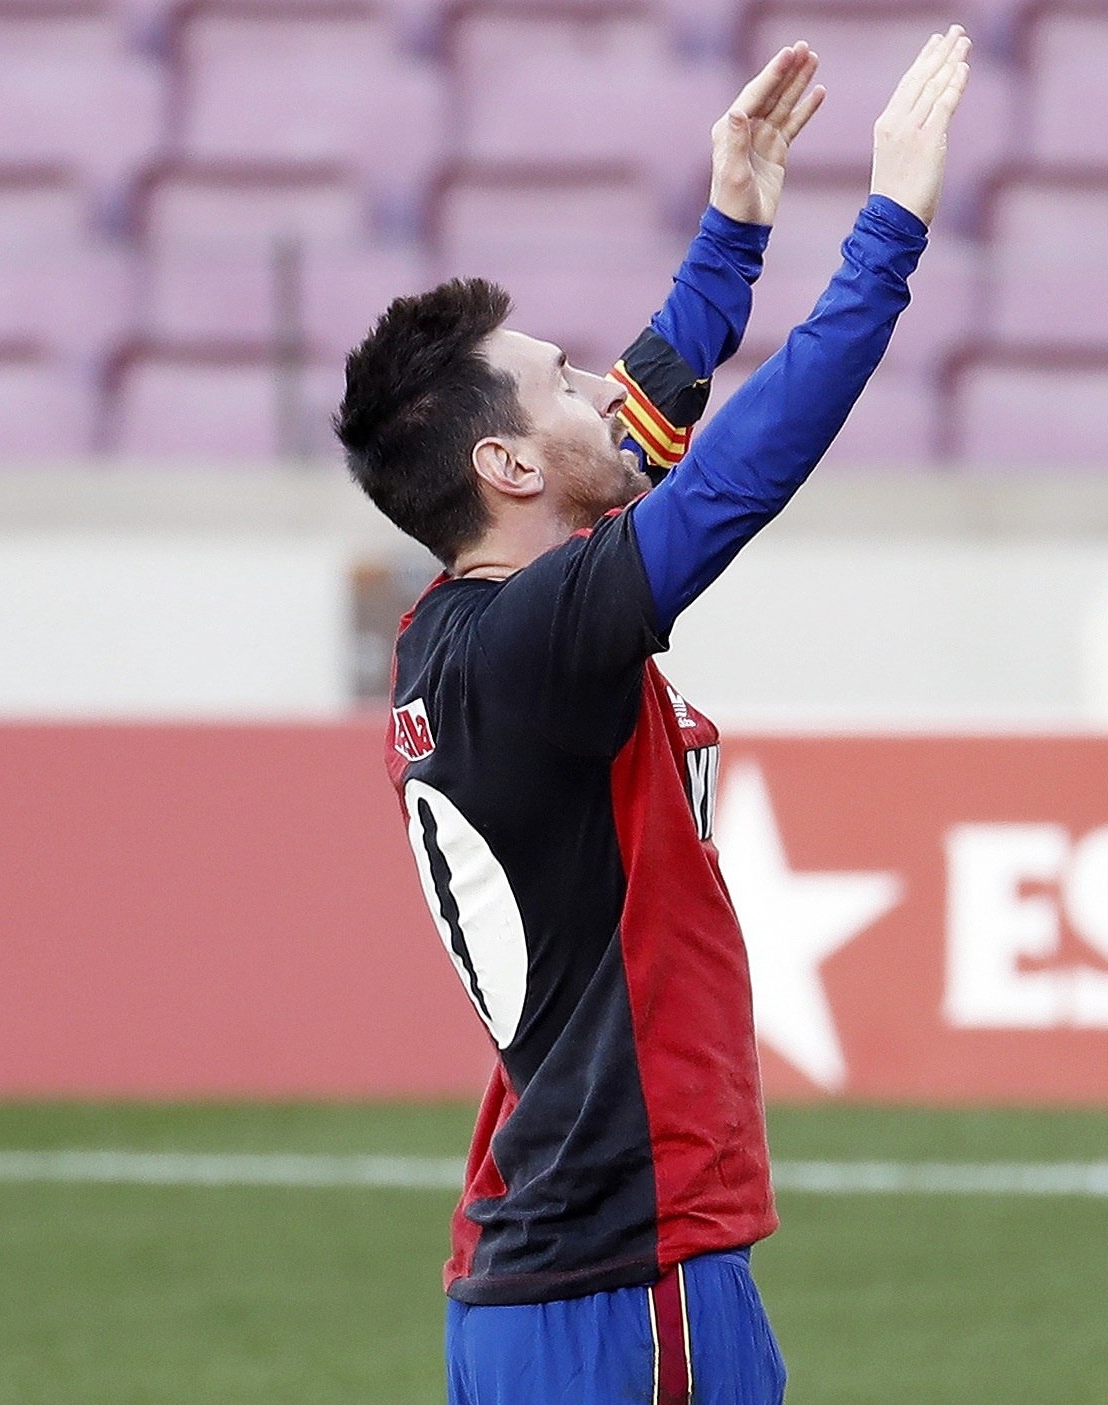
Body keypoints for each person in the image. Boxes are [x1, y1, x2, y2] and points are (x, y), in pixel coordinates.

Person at [332, 26, 972, 1405]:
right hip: (623, 1277)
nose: (600, 389)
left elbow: (640, 418)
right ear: (504, 462)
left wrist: (736, 214)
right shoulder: (535, 646)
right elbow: (734, 471)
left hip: (554, 1273)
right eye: (559, 380)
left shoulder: (463, 634)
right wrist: (890, 227)